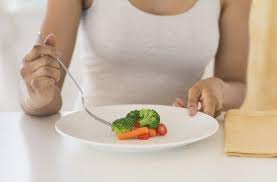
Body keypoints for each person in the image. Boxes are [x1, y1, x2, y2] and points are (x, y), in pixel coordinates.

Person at [19, 0, 251, 117]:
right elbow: (44, 94)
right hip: (95, 143)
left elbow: (236, 84)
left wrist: (219, 91)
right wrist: (35, 95)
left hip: (186, 146)